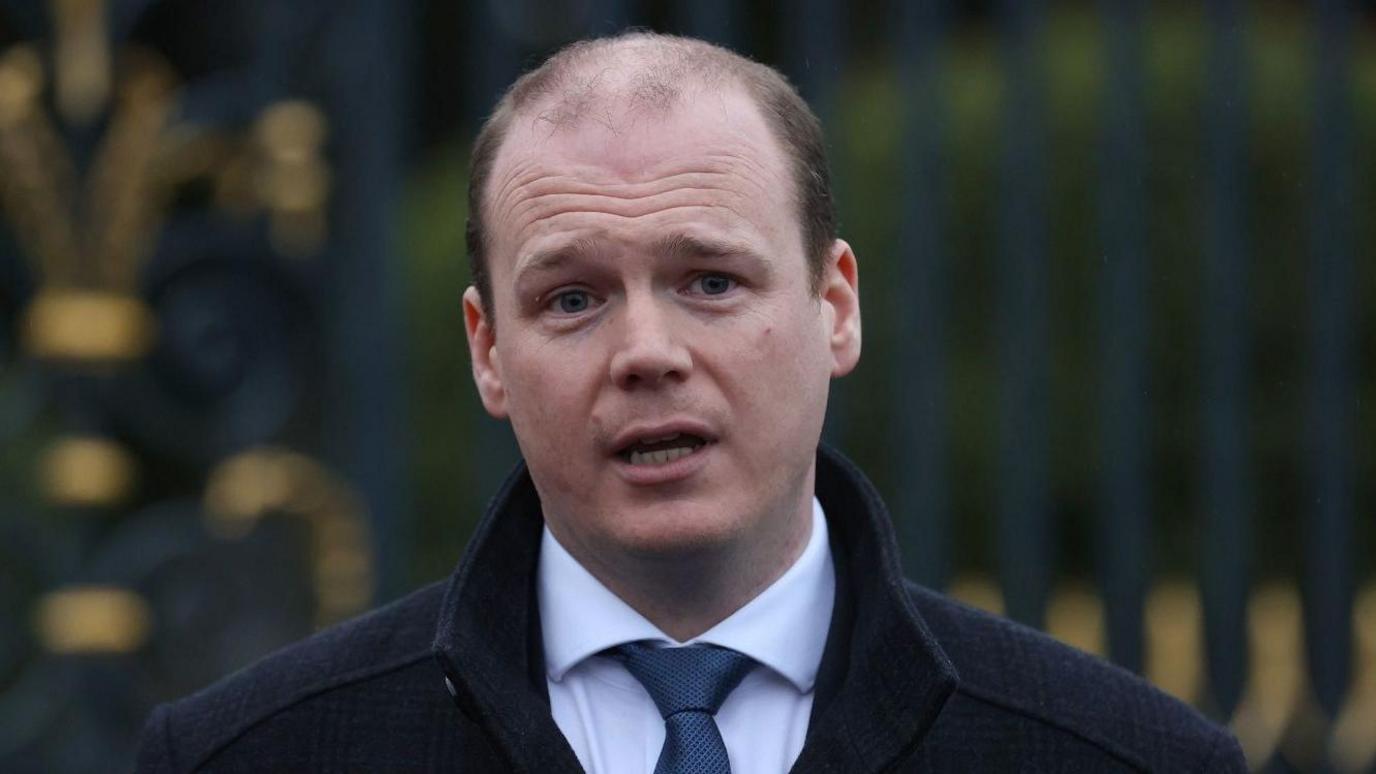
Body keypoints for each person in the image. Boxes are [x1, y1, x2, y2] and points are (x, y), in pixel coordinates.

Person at [136, 31, 1245, 773]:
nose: (645, 352)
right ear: (487, 350)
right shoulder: (253, 756)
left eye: (709, 282)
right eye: (571, 299)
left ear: (835, 306)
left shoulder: (1117, 759)